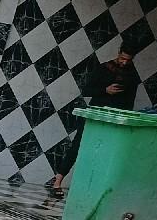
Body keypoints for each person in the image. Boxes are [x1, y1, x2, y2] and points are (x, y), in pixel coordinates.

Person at [48, 46, 137, 196]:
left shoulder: (132, 76)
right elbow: (87, 90)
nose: (124, 63)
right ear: (118, 53)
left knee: (103, 151)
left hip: (113, 117)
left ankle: (91, 187)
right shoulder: (104, 68)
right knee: (78, 145)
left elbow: (130, 101)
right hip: (94, 114)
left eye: (128, 60)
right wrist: (105, 90)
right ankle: (57, 181)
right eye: (122, 59)